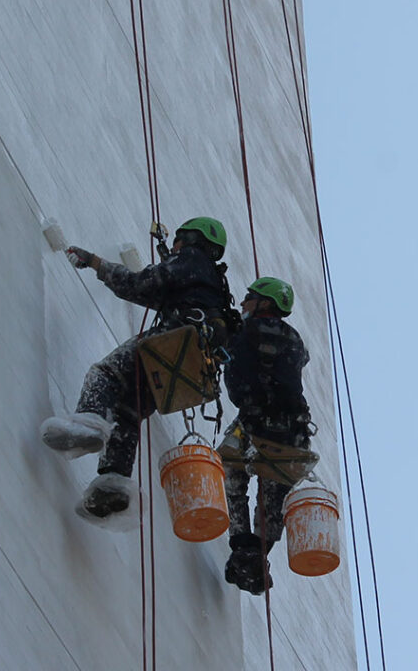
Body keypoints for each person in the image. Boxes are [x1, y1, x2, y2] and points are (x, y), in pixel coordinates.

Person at [40, 217, 236, 526]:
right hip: (195, 363)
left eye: (177, 241)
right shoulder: (211, 282)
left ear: (190, 239)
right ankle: (112, 486)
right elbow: (149, 293)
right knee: (128, 411)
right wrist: (102, 268)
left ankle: (88, 425)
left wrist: (94, 262)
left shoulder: (190, 260)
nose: (173, 247)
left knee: (104, 375)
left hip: (176, 341)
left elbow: (139, 285)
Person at [220, 277, 312, 593]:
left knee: (230, 468)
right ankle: (255, 556)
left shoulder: (249, 332)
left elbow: (240, 371)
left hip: (257, 422)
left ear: (265, 303)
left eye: (250, 297)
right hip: (293, 432)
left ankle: (244, 547)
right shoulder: (295, 340)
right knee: (273, 499)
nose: (244, 303)